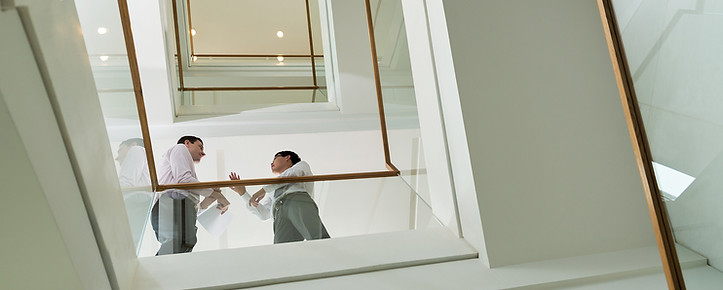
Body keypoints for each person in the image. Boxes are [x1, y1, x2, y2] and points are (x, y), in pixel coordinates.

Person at [151, 135, 230, 255]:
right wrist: (218, 195)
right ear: (187, 143)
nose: (203, 153)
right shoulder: (180, 148)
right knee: (179, 243)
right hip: (172, 203)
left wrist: (211, 197)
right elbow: (184, 181)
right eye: (200, 147)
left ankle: (162, 269)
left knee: (185, 244)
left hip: (175, 206)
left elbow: (190, 199)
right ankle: (158, 269)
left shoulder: (183, 168)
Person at [229, 151, 330, 244]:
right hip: (278, 213)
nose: (271, 163)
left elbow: (291, 175)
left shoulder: (301, 166)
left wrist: (263, 190)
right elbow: (264, 214)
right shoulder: (272, 190)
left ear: (287, 157)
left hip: (297, 201)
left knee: (317, 238)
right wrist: (243, 194)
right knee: (281, 249)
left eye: (275, 159)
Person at [115, 138, 152, 247]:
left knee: (125, 243)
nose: (117, 158)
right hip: (139, 202)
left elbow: (126, 182)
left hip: (135, 202)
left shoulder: (136, 149)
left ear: (133, 145)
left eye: (120, 150)